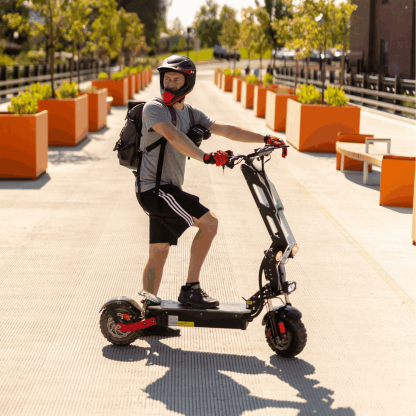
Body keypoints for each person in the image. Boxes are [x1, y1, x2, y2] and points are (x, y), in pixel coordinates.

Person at [136, 55, 286, 335]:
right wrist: (206, 156)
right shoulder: (154, 108)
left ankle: (148, 315)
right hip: (156, 189)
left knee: (159, 250)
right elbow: (173, 136)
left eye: (176, 79)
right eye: (167, 78)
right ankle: (190, 289)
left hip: (164, 190)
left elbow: (225, 129)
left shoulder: (191, 113)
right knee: (209, 223)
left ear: (188, 83)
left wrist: (265, 138)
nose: (169, 84)